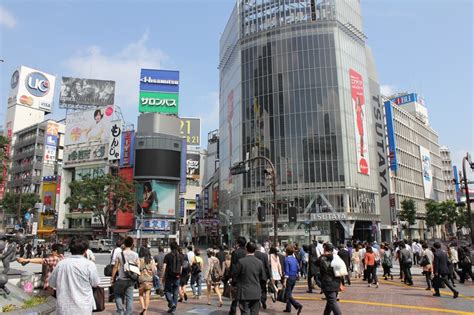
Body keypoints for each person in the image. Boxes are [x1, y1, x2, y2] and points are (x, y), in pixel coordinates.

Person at [49, 237, 99, 314]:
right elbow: (95, 283)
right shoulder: (89, 265)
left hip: (64, 308)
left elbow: (51, 283)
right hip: (83, 307)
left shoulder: (61, 264)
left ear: (70, 249)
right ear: (85, 251)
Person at [232, 241, 267, 315]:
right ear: (255, 250)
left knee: (244, 312)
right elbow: (263, 278)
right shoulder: (259, 262)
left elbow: (234, 275)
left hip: (243, 292)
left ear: (246, 249)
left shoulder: (241, 262)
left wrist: (235, 284)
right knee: (255, 312)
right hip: (256, 291)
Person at [111, 236, 139, 315]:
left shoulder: (120, 254)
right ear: (132, 244)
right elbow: (138, 267)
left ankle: (120, 311)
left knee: (117, 294)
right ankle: (128, 313)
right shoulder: (135, 255)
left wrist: (112, 278)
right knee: (129, 297)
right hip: (130, 279)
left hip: (121, 278)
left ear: (124, 244)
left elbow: (115, 267)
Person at [318, 243, 342, 315]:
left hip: (328, 283)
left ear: (325, 249)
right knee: (330, 302)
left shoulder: (323, 258)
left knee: (332, 302)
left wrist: (322, 255)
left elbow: (317, 264)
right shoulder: (336, 257)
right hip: (336, 282)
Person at [162, 241, 184, 313]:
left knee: (167, 291)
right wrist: (178, 275)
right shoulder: (180, 256)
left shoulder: (167, 256)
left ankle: (172, 303)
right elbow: (181, 268)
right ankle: (173, 309)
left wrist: (163, 276)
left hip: (169, 276)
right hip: (177, 276)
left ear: (170, 247)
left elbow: (164, 267)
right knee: (175, 293)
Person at [229, 237, 247, 315]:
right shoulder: (247, 252)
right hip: (246, 276)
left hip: (237, 276)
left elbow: (232, 266)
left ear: (238, 243)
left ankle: (233, 311)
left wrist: (231, 276)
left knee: (235, 296)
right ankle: (244, 311)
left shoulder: (235, 252)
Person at [283, 245, 303, 314]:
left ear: (287, 252)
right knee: (289, 293)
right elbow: (298, 268)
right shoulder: (294, 259)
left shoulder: (286, 259)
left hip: (289, 278)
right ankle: (288, 308)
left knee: (287, 295)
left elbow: (287, 272)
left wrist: (284, 281)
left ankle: (298, 305)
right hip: (294, 277)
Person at [138, 247, 156, 315]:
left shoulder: (140, 260)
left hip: (141, 279)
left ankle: (143, 307)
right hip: (149, 279)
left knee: (141, 294)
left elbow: (138, 268)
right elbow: (154, 270)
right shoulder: (151, 260)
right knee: (147, 295)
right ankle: (145, 311)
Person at [254, 243, 271, 309]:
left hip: (255, 275)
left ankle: (257, 301)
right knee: (263, 289)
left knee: (256, 289)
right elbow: (267, 266)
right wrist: (269, 276)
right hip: (263, 275)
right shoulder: (264, 255)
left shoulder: (253, 255)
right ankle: (263, 300)